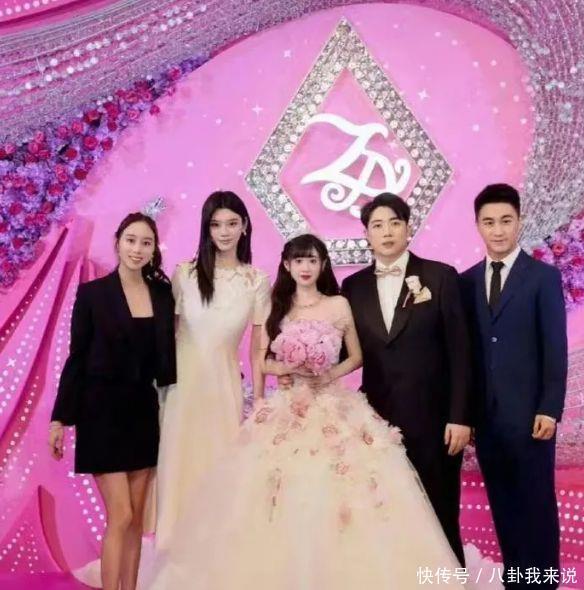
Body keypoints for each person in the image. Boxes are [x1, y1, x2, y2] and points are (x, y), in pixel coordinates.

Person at [148, 234, 465, 590]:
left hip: (332, 404)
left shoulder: (338, 305)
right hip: (288, 407)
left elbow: (356, 356)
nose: (305, 267)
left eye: (312, 260)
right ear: (287, 265)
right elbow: (262, 360)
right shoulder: (277, 305)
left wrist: (328, 374)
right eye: (298, 260)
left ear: (323, 264)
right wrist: (284, 369)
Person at [340, 192, 472, 564]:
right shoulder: (352, 287)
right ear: (366, 234)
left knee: (441, 513)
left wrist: (460, 416)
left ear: (408, 228)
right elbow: (341, 351)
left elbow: (462, 352)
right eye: (377, 225)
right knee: (387, 516)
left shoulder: (440, 276)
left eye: (395, 223)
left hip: (436, 421)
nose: (387, 232)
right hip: (377, 423)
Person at [48, 212, 176, 590]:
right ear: (118, 242)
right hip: (100, 414)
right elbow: (76, 358)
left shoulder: (162, 294)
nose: (137, 249)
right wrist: (59, 419)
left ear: (154, 249)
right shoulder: (93, 294)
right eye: (131, 240)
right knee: (120, 515)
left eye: (146, 243)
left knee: (136, 520)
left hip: (143, 413)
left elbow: (171, 353)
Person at [460, 183, 567, 588]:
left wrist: (549, 408)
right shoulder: (466, 282)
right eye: (489, 222)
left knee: (536, 508)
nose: (498, 230)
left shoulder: (542, 277)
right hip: (487, 421)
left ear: (519, 221)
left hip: (531, 417)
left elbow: (554, 348)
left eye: (506, 220)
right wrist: (467, 414)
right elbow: (467, 353)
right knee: (503, 509)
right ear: (477, 226)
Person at [154, 190, 271, 549]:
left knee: (219, 466)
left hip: (224, 387)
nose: (224, 232)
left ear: (245, 226)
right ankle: (171, 549)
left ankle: (216, 552)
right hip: (181, 388)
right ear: (206, 228)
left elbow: (257, 347)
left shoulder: (256, 280)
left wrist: (260, 399)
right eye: (216, 224)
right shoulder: (184, 274)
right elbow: (167, 334)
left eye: (232, 223)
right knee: (179, 465)